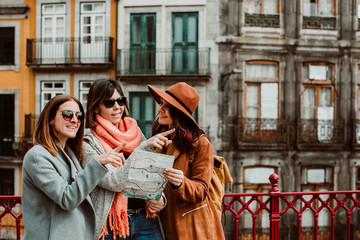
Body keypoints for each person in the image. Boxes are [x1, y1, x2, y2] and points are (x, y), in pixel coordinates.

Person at [22, 95, 126, 240]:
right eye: (67, 114)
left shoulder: (69, 154)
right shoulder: (37, 156)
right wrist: (97, 163)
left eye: (79, 115)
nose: (74, 120)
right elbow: (67, 199)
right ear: (51, 119)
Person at [81, 79, 173, 240]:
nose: (117, 107)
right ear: (96, 106)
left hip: (146, 220)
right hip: (111, 225)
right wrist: (142, 149)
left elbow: (151, 177)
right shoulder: (88, 143)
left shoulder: (136, 134)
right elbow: (114, 182)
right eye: (109, 102)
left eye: (121, 100)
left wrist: (160, 200)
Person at [148, 82, 225, 240]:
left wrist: (181, 183)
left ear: (178, 113)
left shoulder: (200, 144)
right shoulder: (158, 140)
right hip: (164, 225)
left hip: (193, 228)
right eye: (161, 103)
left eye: (166, 106)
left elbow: (202, 190)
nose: (159, 110)